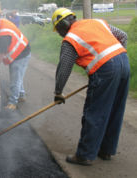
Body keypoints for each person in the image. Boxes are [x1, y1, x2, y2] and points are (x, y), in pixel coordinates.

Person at [52, 8, 130, 166]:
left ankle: (84, 154)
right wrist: (114, 61)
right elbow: (123, 36)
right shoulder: (97, 22)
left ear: (64, 24)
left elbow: (64, 69)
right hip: (124, 63)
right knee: (115, 109)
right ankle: (106, 150)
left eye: (58, 29)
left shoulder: (71, 38)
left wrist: (58, 92)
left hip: (107, 69)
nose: (59, 33)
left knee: (95, 112)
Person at [0, 10, 31, 110]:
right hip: (19, 51)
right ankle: (21, 96)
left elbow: (1, 53)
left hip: (21, 53)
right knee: (17, 76)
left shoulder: (4, 34)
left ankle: (13, 102)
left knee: (15, 78)